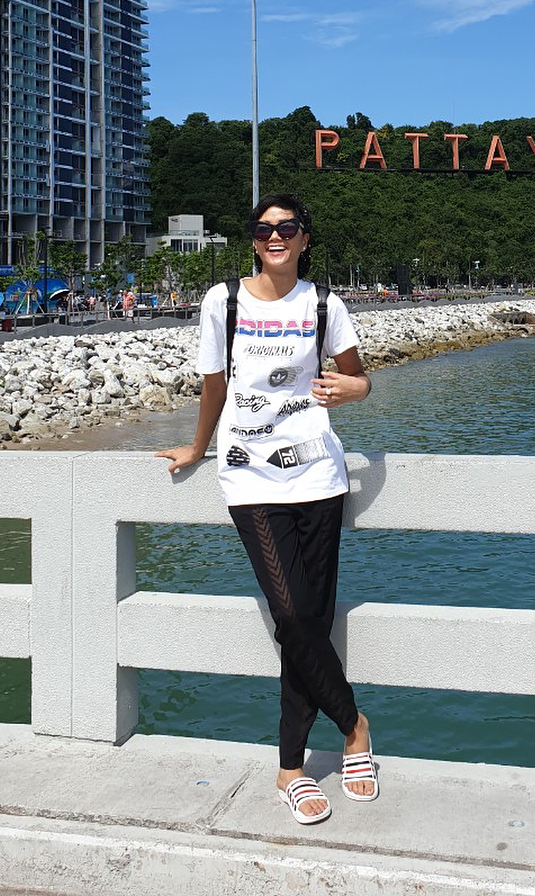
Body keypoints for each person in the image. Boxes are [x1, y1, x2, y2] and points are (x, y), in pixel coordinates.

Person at [157, 193, 376, 826]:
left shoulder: (325, 304)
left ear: (306, 237)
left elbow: (358, 378)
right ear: (252, 239)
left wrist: (356, 388)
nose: (274, 236)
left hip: (319, 474)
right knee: (291, 614)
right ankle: (354, 725)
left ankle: (290, 768)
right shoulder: (223, 301)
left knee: (309, 619)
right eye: (262, 229)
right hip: (249, 475)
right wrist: (197, 447)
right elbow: (214, 385)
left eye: (287, 227)